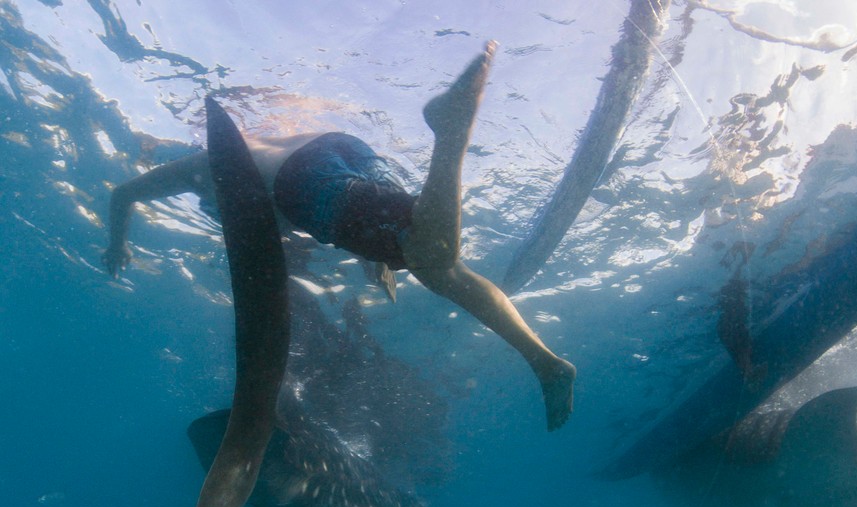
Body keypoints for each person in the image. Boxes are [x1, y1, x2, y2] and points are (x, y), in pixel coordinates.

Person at [103, 41, 575, 431]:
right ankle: (545, 361)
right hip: (341, 147)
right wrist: (378, 257)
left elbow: (124, 194)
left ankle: (450, 136)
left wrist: (117, 243)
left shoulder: (205, 164)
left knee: (433, 258)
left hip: (297, 178)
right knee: (436, 262)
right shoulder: (259, 142)